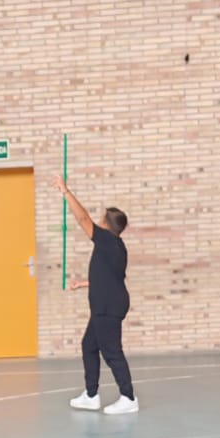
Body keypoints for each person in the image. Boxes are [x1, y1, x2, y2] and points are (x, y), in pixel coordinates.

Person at [55, 176, 138, 414]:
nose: (98, 221)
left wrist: (65, 191)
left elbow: (82, 218)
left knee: (111, 352)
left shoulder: (107, 240)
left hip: (108, 307)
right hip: (108, 303)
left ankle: (128, 397)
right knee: (89, 346)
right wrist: (85, 283)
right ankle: (91, 395)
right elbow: (109, 278)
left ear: (106, 225)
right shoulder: (116, 246)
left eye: (102, 219)